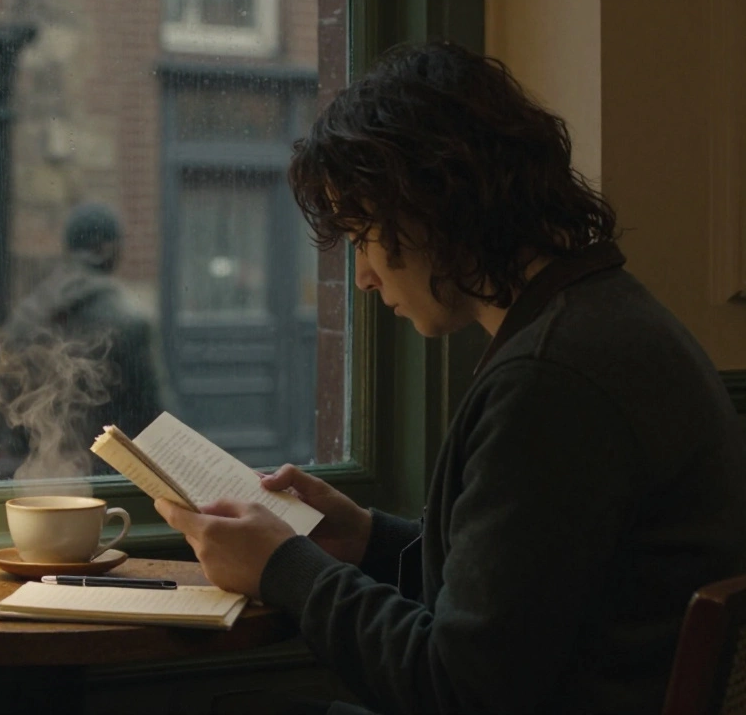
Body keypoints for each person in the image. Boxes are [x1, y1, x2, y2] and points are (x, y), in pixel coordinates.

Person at [155, 42, 746, 715]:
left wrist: (287, 568)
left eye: (362, 236)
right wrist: (370, 541)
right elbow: (534, 593)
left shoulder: (551, 382)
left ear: (432, 204)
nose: (366, 277)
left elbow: (457, 689)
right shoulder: (603, 320)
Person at [0, 203, 170, 466]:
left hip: (33, 477)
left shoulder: (26, 315)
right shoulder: (128, 323)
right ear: (108, 248)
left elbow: (8, 412)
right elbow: (154, 423)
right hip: (108, 482)